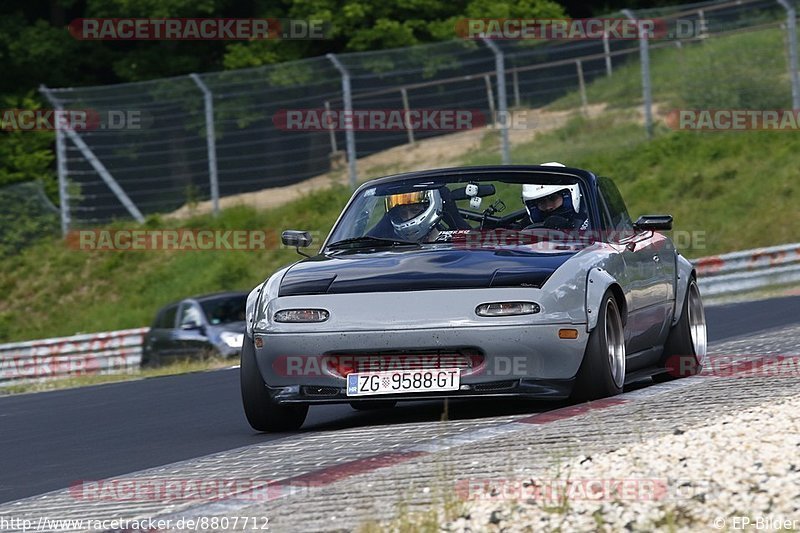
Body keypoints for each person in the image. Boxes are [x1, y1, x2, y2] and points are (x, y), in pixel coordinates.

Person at [522, 184, 588, 230]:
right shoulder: (525, 226)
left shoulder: (591, 216)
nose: (548, 207)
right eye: (541, 201)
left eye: (552, 198)